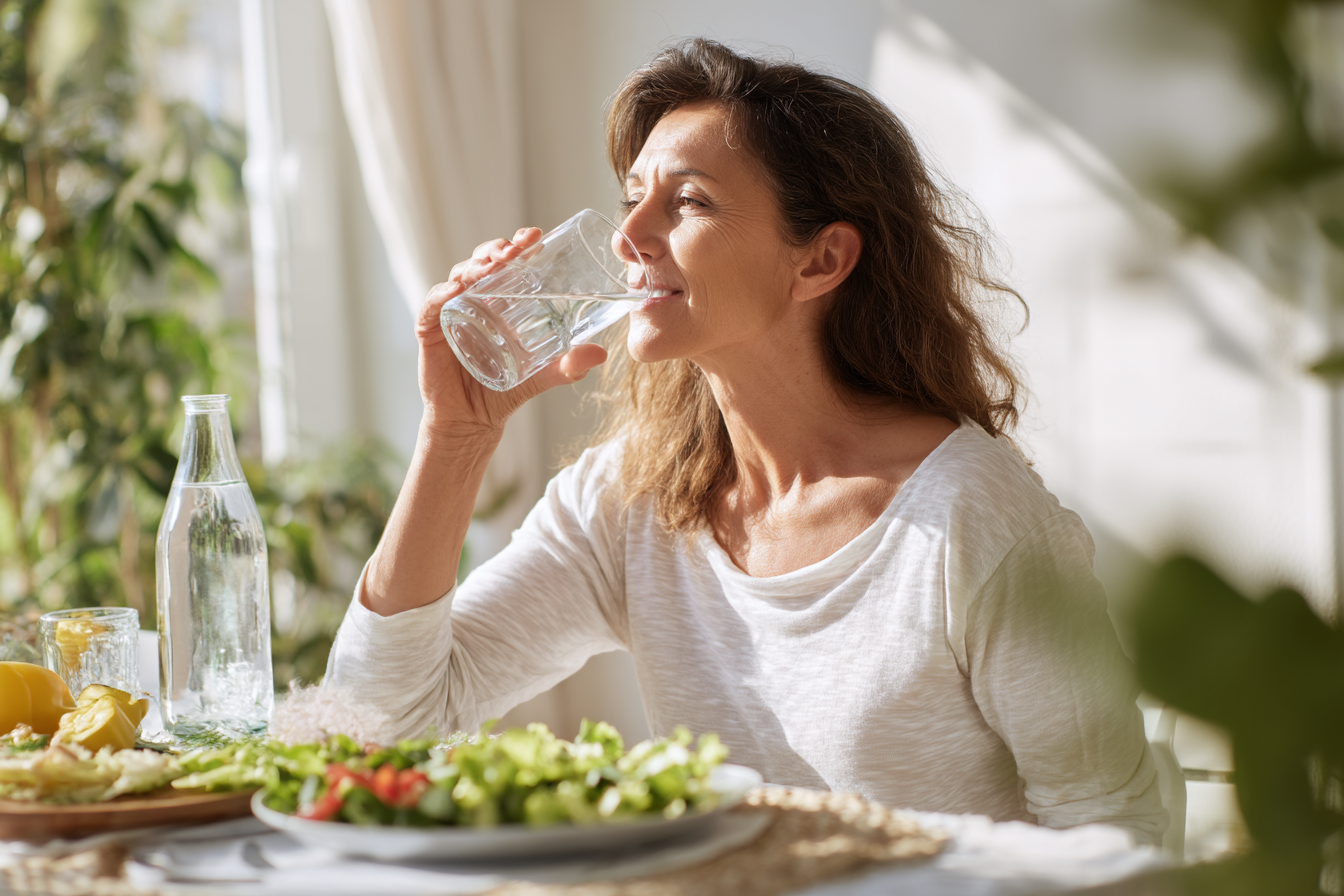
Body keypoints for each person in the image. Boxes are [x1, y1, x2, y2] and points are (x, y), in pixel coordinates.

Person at [327, 39, 1166, 844]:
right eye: (632, 199)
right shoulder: (632, 498)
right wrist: (456, 436)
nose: (627, 238)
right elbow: (374, 732)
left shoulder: (972, 519)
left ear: (821, 260)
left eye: (686, 202)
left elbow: (1114, 837)